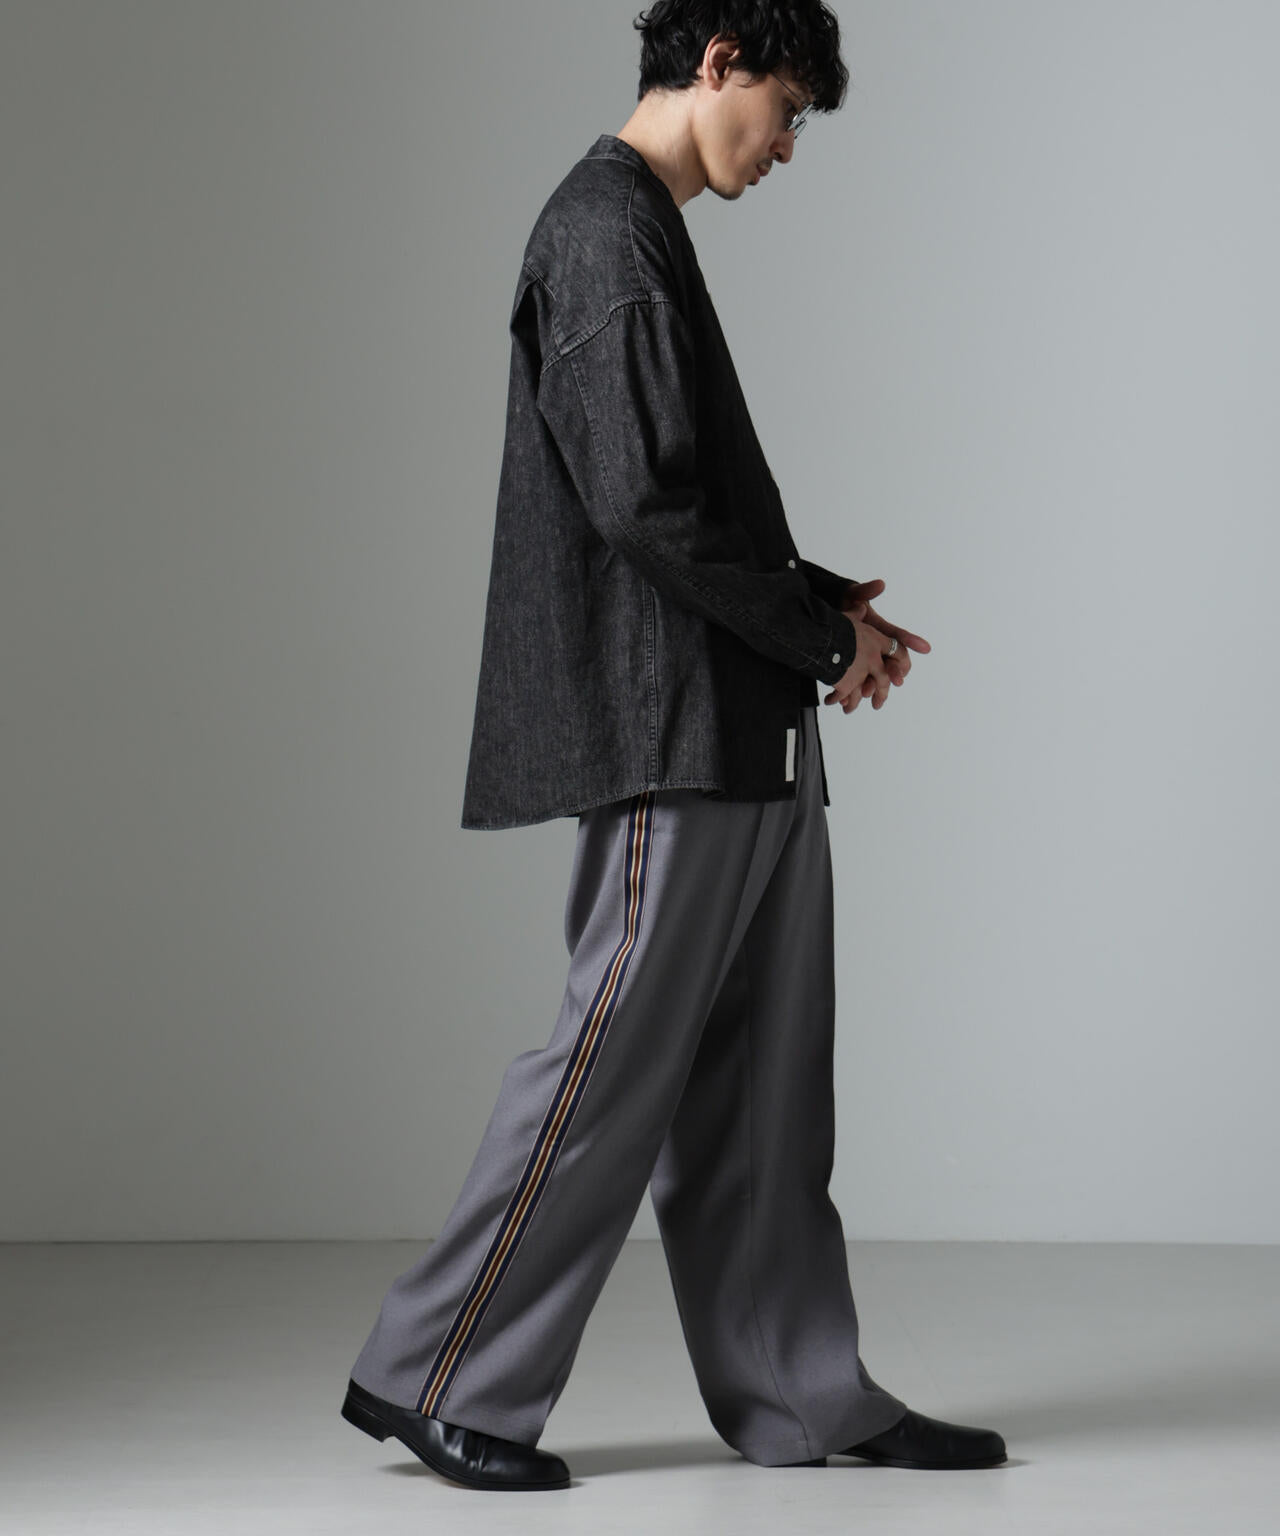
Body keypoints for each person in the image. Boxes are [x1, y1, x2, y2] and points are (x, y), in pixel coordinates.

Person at [341, 0, 1006, 1492]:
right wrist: (819, 638)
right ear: (716, 64)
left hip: (737, 721)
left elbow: (675, 496)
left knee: (764, 1088)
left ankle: (803, 1396)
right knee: (606, 1065)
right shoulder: (602, 229)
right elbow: (642, 509)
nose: (787, 147)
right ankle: (433, 1373)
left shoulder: (639, 229)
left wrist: (821, 608)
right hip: (674, 729)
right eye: (787, 109)